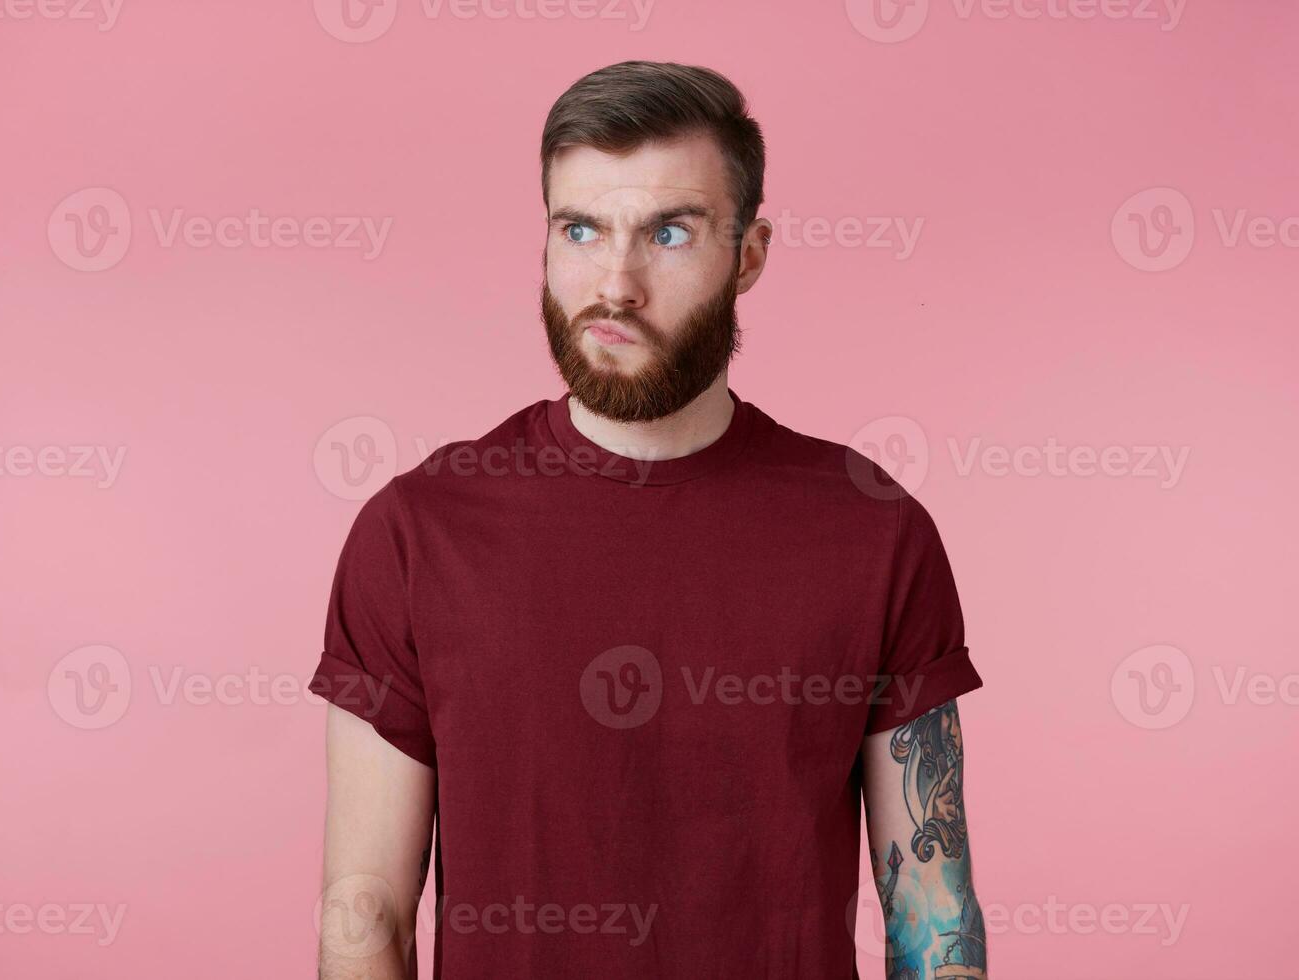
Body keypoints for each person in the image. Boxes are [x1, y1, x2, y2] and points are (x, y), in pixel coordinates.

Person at [311, 60, 987, 980]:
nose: (616, 284)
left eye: (669, 232)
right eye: (580, 229)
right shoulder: (415, 534)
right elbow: (368, 915)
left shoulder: (872, 531)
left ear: (747, 256)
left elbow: (930, 919)